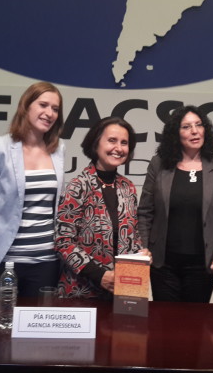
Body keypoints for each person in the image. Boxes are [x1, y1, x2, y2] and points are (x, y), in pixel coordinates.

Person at [0, 82, 65, 302]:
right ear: (26, 106)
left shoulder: (59, 150)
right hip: (4, 262)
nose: (49, 113)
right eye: (43, 105)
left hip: (46, 263)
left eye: (55, 109)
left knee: (38, 324)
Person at [138, 105, 213, 302]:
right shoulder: (158, 164)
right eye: (186, 127)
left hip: (203, 265)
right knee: (164, 319)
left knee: (197, 320)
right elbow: (145, 212)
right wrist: (143, 247)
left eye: (199, 125)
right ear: (175, 134)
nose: (194, 131)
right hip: (162, 265)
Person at [55, 116, 148, 298]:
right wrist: (100, 276)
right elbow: (63, 241)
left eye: (124, 143)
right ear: (96, 143)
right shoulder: (78, 186)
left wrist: (141, 253)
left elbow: (133, 236)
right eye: (112, 140)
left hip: (123, 291)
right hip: (82, 291)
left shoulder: (128, 188)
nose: (118, 148)